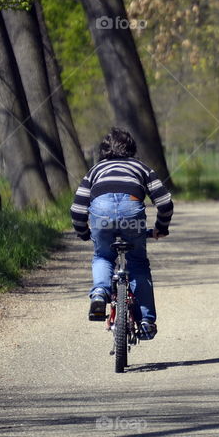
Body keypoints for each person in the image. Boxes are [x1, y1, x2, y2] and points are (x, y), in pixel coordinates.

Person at [70, 127, 173, 339]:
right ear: (131, 148)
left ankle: (99, 293)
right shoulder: (141, 167)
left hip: (101, 215)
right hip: (132, 214)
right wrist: (160, 228)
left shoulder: (95, 171)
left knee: (103, 256)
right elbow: (165, 202)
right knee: (138, 264)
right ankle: (146, 321)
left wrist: (83, 232)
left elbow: (77, 208)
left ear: (104, 150)